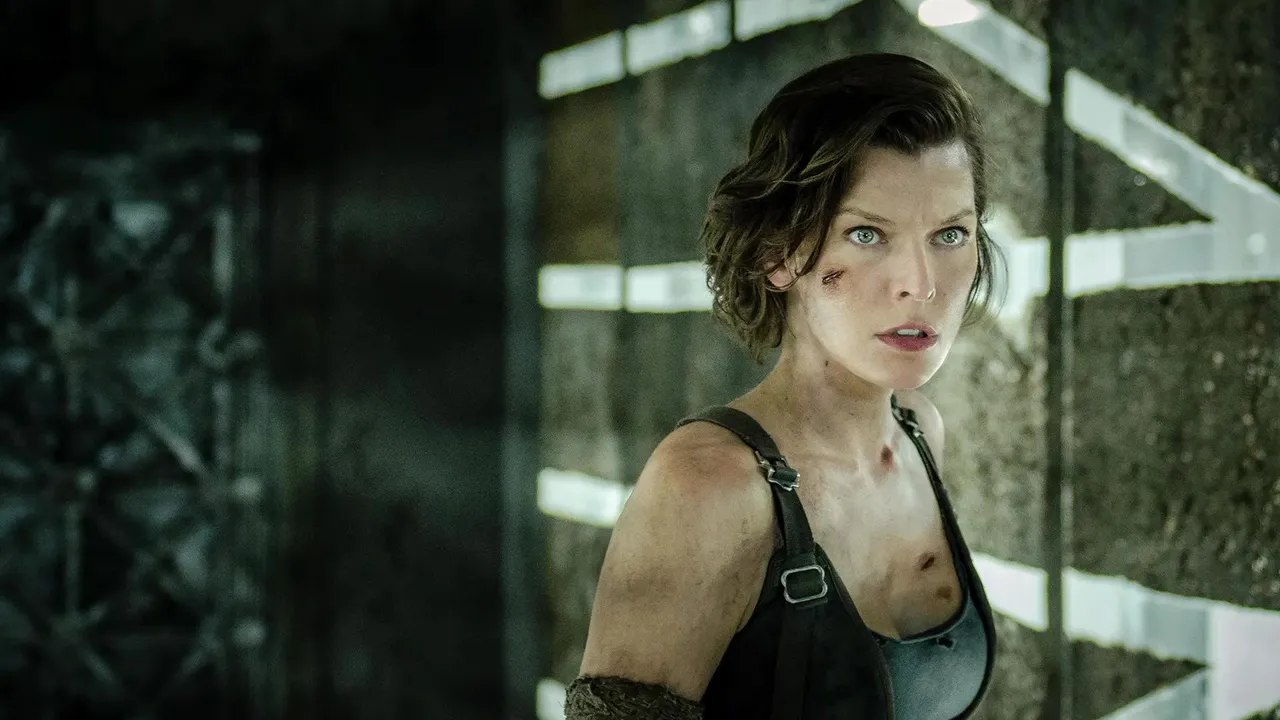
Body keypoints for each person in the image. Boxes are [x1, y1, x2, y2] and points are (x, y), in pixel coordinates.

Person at [565, 52, 1003, 719]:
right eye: (867, 234)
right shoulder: (708, 484)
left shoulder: (920, 433)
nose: (921, 285)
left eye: (950, 233)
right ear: (778, 254)